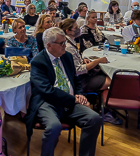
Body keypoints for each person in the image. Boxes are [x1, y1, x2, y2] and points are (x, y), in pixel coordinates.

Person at [24, 27, 101, 156]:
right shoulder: (38, 62)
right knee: (54, 127)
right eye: (61, 43)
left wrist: (80, 95)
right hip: (47, 102)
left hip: (70, 100)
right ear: (49, 45)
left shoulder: (67, 56)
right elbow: (47, 91)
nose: (65, 46)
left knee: (94, 119)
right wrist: (73, 99)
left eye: (65, 42)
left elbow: (76, 80)